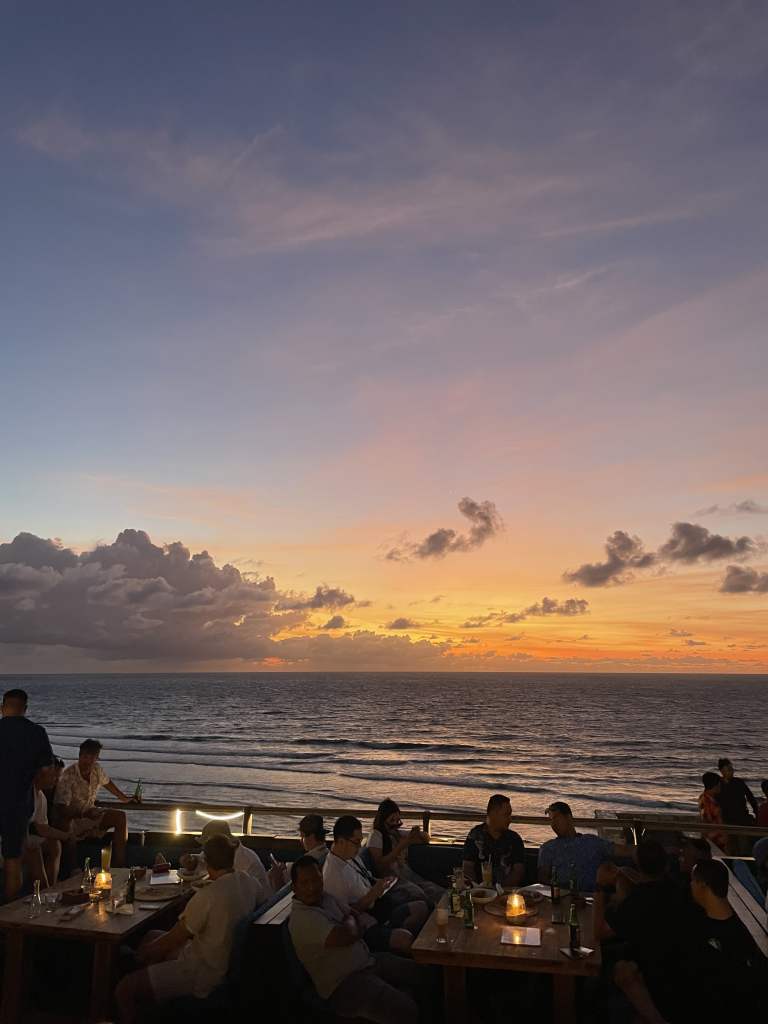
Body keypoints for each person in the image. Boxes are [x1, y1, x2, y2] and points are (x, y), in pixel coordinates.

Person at [115, 833, 262, 1024]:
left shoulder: (208, 895)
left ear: (206, 861)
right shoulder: (249, 882)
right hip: (224, 960)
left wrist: (138, 956)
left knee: (124, 989)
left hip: (203, 974)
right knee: (152, 935)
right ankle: (153, 1002)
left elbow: (173, 939)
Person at [289, 855, 421, 1024]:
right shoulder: (302, 919)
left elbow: (354, 915)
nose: (312, 887)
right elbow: (347, 935)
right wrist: (351, 925)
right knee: (407, 1010)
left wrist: (350, 923)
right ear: (294, 887)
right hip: (345, 984)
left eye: (316, 880)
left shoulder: (326, 898)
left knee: (422, 973)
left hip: (367, 961)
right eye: (305, 883)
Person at [593, 841, 689, 1021]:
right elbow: (650, 884)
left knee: (618, 968)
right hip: (682, 969)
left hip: (656, 974)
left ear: (636, 863)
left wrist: (599, 886)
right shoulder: (678, 890)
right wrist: (625, 875)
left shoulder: (637, 902)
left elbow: (599, 933)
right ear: (666, 865)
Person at [323, 815, 427, 953]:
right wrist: (373, 895)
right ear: (341, 841)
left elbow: (366, 878)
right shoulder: (333, 875)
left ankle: (399, 940)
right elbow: (346, 917)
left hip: (379, 906)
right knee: (405, 938)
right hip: (365, 924)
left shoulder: (350, 857)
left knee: (422, 907)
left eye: (360, 841)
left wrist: (380, 883)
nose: (359, 847)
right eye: (356, 842)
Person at [0, 688, 54, 901]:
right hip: (18, 805)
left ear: (2, 707)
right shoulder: (36, 733)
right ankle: (8, 915)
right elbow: (47, 773)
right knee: (13, 860)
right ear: (25, 709)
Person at [53, 739, 137, 867]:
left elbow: (108, 783)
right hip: (74, 818)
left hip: (91, 814)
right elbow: (61, 808)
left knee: (120, 816)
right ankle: (72, 869)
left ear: (97, 758)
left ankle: (119, 865)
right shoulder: (68, 776)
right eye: (86, 757)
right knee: (66, 824)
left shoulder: (97, 769)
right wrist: (83, 813)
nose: (88, 761)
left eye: (92, 758)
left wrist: (124, 798)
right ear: (80, 755)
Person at [537, 801, 635, 892]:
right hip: (562, 897)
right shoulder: (548, 848)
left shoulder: (592, 841)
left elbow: (624, 850)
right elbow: (543, 882)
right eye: (551, 820)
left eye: (556, 818)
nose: (553, 824)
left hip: (593, 898)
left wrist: (642, 852)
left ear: (568, 817)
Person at [367, 799, 443, 905]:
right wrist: (400, 846)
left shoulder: (396, 833)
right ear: (383, 819)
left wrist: (418, 833)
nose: (395, 824)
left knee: (438, 891)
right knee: (423, 895)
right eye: (392, 820)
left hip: (407, 875)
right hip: (392, 881)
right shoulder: (376, 835)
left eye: (397, 820)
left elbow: (426, 838)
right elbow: (379, 866)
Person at [180, 819, 283, 897]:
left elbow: (238, 896)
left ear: (218, 845)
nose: (205, 849)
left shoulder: (246, 862)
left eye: (207, 845)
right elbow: (202, 859)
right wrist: (192, 862)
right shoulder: (220, 852)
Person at [24, 761, 73, 888]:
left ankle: (52, 886)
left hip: (27, 837)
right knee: (34, 850)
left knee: (54, 844)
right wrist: (67, 836)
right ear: (41, 773)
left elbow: (43, 826)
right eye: (54, 776)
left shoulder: (41, 797)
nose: (57, 781)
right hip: (12, 840)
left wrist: (67, 836)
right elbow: (39, 829)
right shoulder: (24, 794)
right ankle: (44, 890)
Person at [462, 794, 525, 887]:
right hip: (478, 891)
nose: (510, 819)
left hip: (506, 891)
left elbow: (518, 871)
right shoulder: (475, 835)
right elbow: (468, 866)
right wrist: (476, 888)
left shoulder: (514, 839)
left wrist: (500, 890)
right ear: (493, 814)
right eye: (506, 815)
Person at [698, 771, 727, 851]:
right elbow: (707, 820)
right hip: (714, 839)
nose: (720, 786)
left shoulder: (709, 798)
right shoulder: (707, 800)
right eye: (719, 784)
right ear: (715, 785)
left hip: (716, 837)